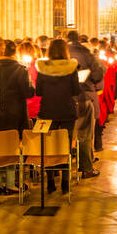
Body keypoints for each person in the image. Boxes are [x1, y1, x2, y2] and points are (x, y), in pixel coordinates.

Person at [0, 40, 31, 194]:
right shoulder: (20, 69)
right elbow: (28, 93)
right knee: (12, 149)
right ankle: (10, 184)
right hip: (15, 115)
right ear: (14, 52)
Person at [33, 38, 80, 193]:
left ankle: (51, 182)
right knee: (65, 146)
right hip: (67, 111)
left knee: (49, 147)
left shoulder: (43, 67)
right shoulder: (71, 67)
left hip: (47, 111)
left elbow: (38, 91)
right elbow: (76, 90)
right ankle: (65, 183)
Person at [65, 31, 101, 176]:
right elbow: (98, 73)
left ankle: (57, 167)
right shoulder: (84, 52)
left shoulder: (49, 60)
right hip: (81, 97)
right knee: (84, 132)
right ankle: (86, 166)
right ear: (79, 39)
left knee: (62, 133)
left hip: (60, 102)